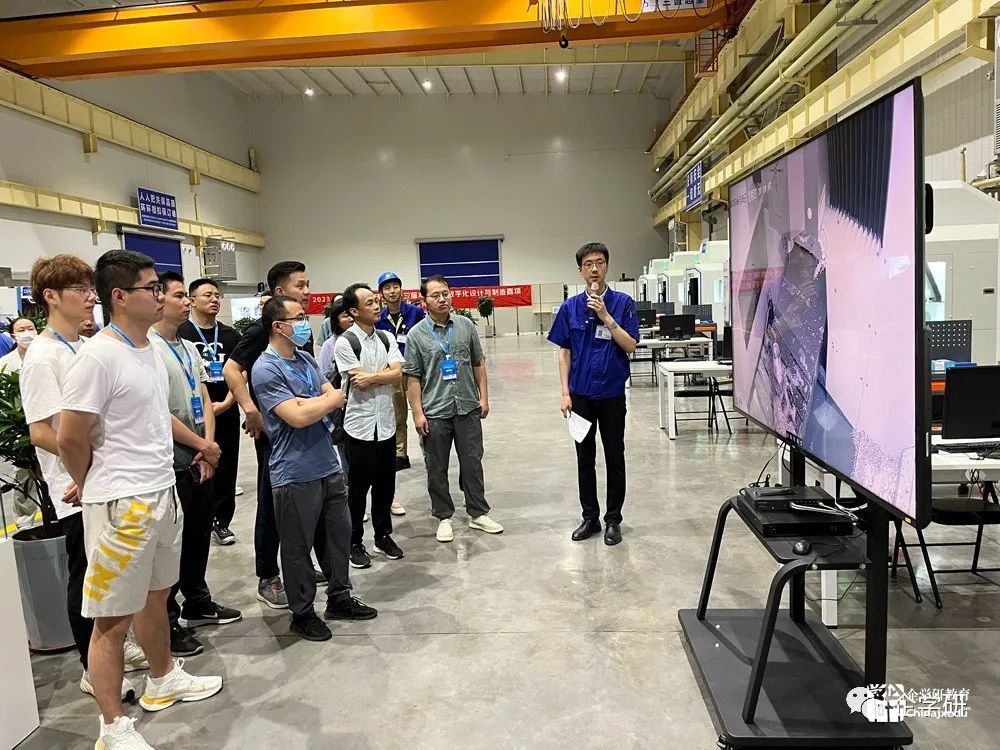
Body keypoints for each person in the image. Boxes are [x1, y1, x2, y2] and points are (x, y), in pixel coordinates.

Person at [58, 249, 222, 750]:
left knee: (157, 595)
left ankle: (163, 676)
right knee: (111, 620)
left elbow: (155, 415)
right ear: (119, 296)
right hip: (121, 504)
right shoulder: (97, 357)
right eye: (151, 289)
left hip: (161, 490)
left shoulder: (147, 348)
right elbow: (70, 436)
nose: (160, 296)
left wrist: (199, 445)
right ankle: (112, 726)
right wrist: (90, 481)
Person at [20, 255, 148, 706]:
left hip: (102, 480)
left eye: (90, 288)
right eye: (78, 289)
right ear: (50, 297)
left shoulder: (83, 345)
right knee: (87, 578)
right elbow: (41, 431)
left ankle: (114, 649)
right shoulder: (43, 356)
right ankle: (90, 668)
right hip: (74, 486)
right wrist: (88, 468)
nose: (90, 297)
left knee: (111, 573)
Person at [252, 295, 377, 641]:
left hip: (327, 465)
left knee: (337, 537)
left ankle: (340, 598)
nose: (305, 323)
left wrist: (313, 403)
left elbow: (334, 396)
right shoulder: (266, 368)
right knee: (297, 548)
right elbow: (297, 416)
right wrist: (318, 403)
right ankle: (303, 612)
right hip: (294, 472)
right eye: (298, 318)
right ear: (279, 326)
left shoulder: (305, 359)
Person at [152, 272, 242, 658]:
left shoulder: (188, 347)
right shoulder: (149, 349)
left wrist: (207, 446)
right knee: (170, 545)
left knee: (198, 534)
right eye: (179, 295)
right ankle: (167, 620)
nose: (186, 302)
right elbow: (159, 412)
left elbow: (203, 395)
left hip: (199, 458)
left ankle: (198, 601)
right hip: (172, 462)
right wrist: (202, 445)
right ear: (159, 300)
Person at [224, 261, 313, 609]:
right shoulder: (264, 330)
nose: (307, 291)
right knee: (270, 502)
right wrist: (250, 409)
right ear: (280, 292)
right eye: (300, 285)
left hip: (303, 430)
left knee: (302, 502)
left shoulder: (299, 329)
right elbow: (232, 368)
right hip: (275, 433)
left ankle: (297, 564)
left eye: (307, 284)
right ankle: (268, 575)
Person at [547, 242, 639, 546]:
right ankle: (590, 518)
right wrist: (565, 393)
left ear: (607, 267)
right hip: (581, 396)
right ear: (581, 271)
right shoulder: (570, 307)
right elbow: (564, 353)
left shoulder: (623, 303)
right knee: (584, 458)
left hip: (611, 394)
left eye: (599, 263)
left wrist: (607, 317)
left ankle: (613, 520)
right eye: (588, 264)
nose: (594, 269)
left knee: (614, 456)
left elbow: (630, 346)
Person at [403, 275, 503, 543]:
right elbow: (413, 377)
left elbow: (478, 363)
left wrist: (484, 397)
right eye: (435, 295)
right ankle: (444, 516)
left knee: (472, 462)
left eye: (445, 293)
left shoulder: (465, 326)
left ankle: (478, 512)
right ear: (425, 301)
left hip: (467, 406)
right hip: (435, 410)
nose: (442, 299)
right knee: (437, 466)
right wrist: (418, 413)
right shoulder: (416, 335)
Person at [335, 283, 405, 568]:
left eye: (376, 301)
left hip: (386, 424)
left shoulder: (386, 338)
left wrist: (374, 376)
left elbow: (398, 374)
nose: (377, 306)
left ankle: (383, 536)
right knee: (358, 489)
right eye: (369, 303)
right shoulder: (346, 342)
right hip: (359, 425)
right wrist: (384, 374)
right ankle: (354, 541)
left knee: (385, 487)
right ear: (353, 311)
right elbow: (357, 381)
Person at [178, 278, 243, 547]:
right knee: (197, 464)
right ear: (192, 300)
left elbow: (241, 372)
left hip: (225, 410)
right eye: (207, 295)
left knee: (226, 466)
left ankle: (222, 521)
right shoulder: (181, 333)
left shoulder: (230, 335)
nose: (214, 299)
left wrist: (227, 403)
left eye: (217, 295)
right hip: (195, 413)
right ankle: (200, 519)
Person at [375, 272, 425, 476]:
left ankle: (428, 451)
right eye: (387, 288)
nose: (392, 291)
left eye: (395, 286)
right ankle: (400, 454)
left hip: (415, 373)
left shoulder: (415, 313)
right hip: (393, 374)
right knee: (397, 415)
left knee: (421, 412)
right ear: (381, 294)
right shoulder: (379, 319)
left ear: (401, 289)